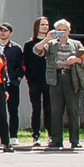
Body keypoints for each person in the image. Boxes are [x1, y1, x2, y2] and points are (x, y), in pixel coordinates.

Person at [39, 18, 84, 149]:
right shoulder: (51, 44)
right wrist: (47, 39)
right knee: (56, 111)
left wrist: (77, 59)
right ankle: (56, 140)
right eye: (58, 30)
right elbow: (37, 51)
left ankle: (75, 140)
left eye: (64, 30)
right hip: (56, 79)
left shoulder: (76, 44)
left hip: (71, 79)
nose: (61, 32)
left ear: (69, 30)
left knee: (73, 111)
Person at [21, 14, 54, 144]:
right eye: (42, 24)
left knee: (49, 108)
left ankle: (51, 134)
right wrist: (29, 77)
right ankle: (36, 135)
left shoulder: (52, 43)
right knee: (36, 108)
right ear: (36, 27)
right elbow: (25, 63)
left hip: (49, 80)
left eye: (47, 24)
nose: (45, 27)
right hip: (35, 80)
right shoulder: (29, 44)